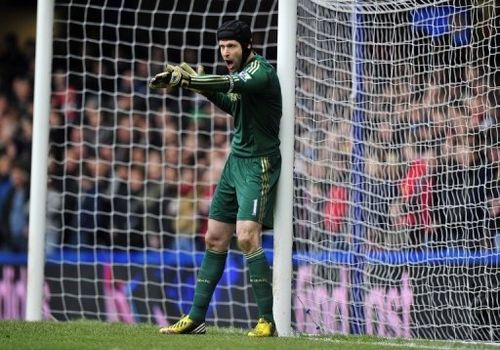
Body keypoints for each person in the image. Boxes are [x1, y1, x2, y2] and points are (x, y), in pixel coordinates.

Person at [150, 19, 282, 337]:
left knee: (247, 236)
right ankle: (196, 318)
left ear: (247, 45)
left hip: (258, 164)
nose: (225, 51)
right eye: (222, 46)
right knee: (214, 238)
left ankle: (267, 319)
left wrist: (191, 80)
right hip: (234, 163)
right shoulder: (239, 76)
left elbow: (229, 85)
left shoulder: (260, 72)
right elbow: (227, 101)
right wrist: (190, 82)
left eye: (231, 46)